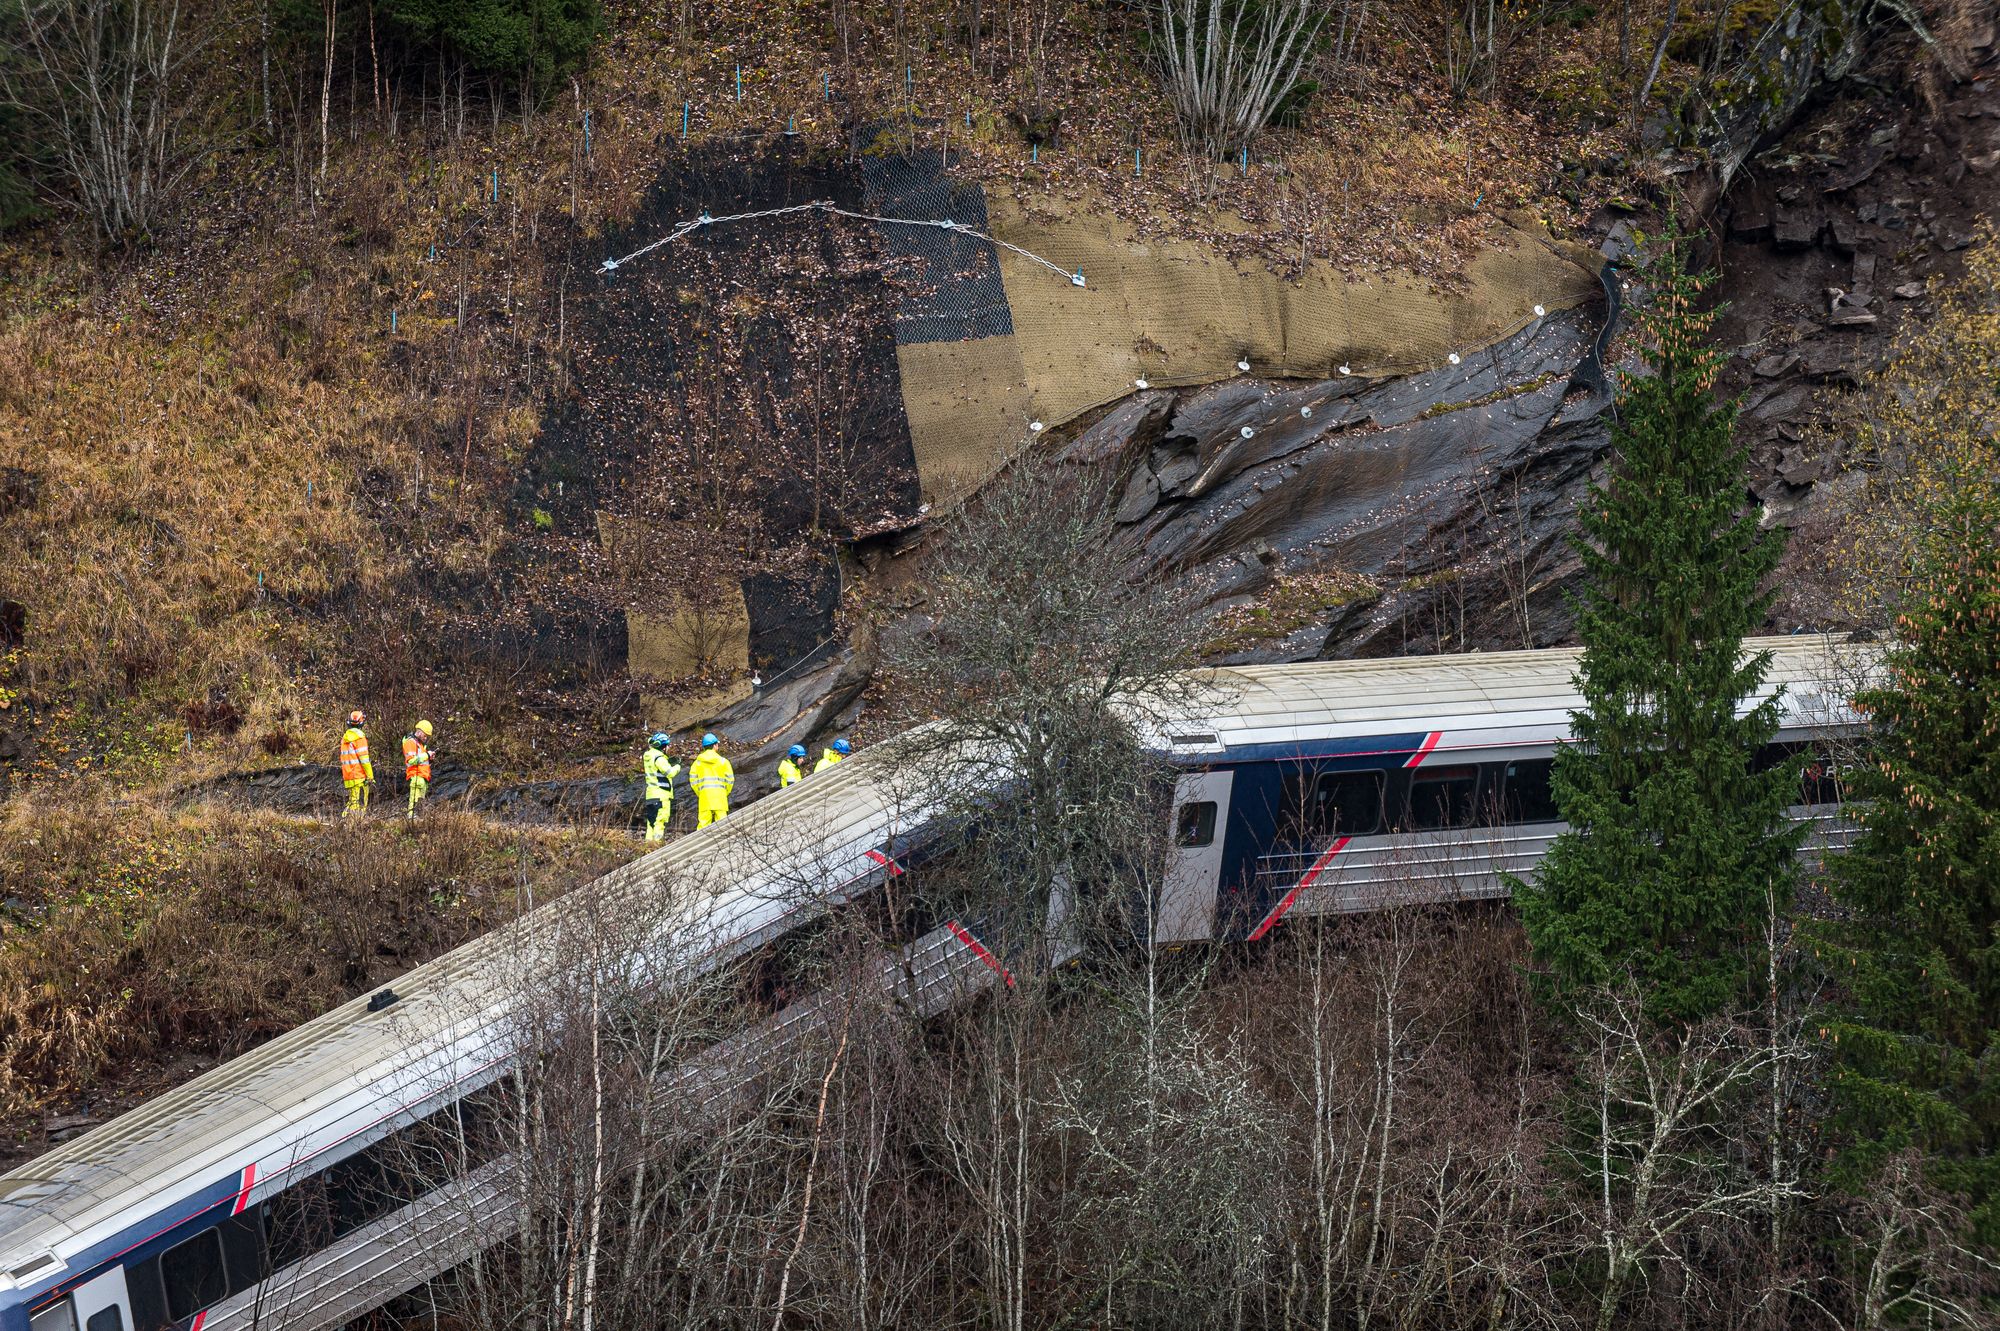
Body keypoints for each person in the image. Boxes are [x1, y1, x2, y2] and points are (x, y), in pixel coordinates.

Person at [642, 732, 682, 843]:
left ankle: (648, 846)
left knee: (651, 822)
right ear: (663, 747)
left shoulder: (650, 756)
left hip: (651, 795)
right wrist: (678, 766)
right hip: (661, 795)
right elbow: (669, 773)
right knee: (660, 821)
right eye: (667, 745)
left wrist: (667, 761)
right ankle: (656, 845)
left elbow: (657, 770)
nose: (669, 747)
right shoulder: (659, 758)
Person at [689, 732, 735, 828]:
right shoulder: (723, 761)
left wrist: (700, 792)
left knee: (703, 825)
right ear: (714, 746)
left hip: (705, 797)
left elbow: (693, 781)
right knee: (723, 825)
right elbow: (730, 780)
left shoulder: (697, 763)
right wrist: (725, 792)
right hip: (720, 796)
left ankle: (700, 842)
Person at [339, 711, 374, 818]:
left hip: (348, 775)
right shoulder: (360, 738)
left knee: (352, 801)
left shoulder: (345, 738)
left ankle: (344, 820)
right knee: (360, 804)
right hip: (359, 776)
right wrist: (370, 776)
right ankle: (355, 825)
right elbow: (364, 760)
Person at [402, 720, 434, 818]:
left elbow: (421, 761)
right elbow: (411, 761)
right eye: (425, 735)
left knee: (419, 805)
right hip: (416, 777)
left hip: (422, 778)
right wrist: (427, 755)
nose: (426, 737)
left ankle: (417, 822)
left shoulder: (419, 745)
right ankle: (412, 820)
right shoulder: (410, 743)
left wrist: (429, 758)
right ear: (419, 732)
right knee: (414, 803)